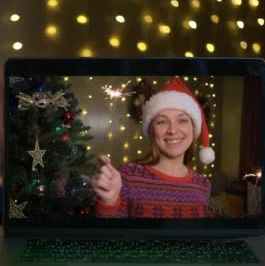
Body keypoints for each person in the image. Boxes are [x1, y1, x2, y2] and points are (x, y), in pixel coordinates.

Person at [91, 77, 216, 218]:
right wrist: (109, 203)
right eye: (162, 122)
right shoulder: (128, 176)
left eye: (182, 120)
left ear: (193, 129)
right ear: (152, 131)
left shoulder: (203, 185)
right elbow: (111, 236)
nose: (172, 130)